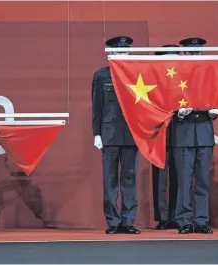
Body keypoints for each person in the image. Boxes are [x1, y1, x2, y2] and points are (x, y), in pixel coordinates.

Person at [172, 38, 218, 234]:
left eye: (197, 52)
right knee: (184, 181)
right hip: (183, 133)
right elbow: (164, 101)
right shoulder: (175, 75)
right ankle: (184, 221)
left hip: (204, 133)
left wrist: (215, 112)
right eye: (191, 53)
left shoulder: (210, 75)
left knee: (202, 181)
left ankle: (201, 220)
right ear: (184, 54)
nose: (194, 56)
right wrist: (178, 113)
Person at [92, 36, 140, 234]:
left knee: (130, 179)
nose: (122, 54)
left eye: (125, 51)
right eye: (118, 51)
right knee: (110, 179)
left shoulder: (137, 74)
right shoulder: (102, 75)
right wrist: (96, 134)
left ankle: (128, 221)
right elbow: (97, 107)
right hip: (109, 134)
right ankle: (113, 221)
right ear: (110, 53)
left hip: (131, 133)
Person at [152, 45, 180, 230]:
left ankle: (176, 215)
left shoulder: (183, 77)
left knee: (179, 176)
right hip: (159, 131)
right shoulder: (152, 78)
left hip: (181, 130)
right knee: (160, 177)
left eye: (174, 56)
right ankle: (162, 217)